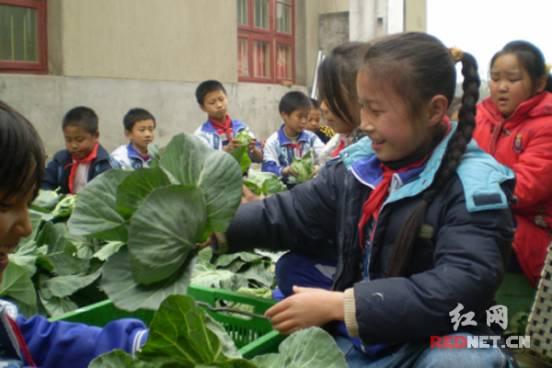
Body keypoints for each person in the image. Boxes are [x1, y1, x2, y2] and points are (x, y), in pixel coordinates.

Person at [210, 33, 516, 366]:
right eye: (361, 106)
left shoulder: (474, 186)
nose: (365, 124)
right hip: (374, 332)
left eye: (377, 110)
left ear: (434, 110)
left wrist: (340, 306)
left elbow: (461, 286)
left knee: (465, 359)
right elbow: (292, 213)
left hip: (434, 337)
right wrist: (215, 227)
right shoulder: (360, 163)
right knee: (293, 270)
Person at [0, 100, 148, 368]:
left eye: (28, 203)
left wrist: (130, 344)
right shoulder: (62, 161)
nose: (26, 227)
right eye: (5, 205)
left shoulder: (107, 164)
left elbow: (33, 340)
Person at [473, 40, 552, 286]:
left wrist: (467, 194)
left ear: (539, 83)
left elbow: (525, 188)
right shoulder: (479, 117)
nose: (501, 87)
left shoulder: (547, 126)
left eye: (513, 79)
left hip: (530, 234)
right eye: (495, 78)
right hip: (483, 217)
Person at [318, 42, 370, 163]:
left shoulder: (366, 156)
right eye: (323, 95)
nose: (323, 107)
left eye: (332, 96)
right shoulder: (339, 141)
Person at [41, 106, 113, 194]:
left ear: (96, 136)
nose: (73, 145)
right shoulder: (60, 160)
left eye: (79, 140)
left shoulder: (104, 165)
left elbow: (103, 196)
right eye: (68, 140)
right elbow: (45, 183)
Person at [262, 91, 325, 187]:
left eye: (306, 116)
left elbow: (326, 156)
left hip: (309, 189)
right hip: (283, 191)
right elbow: (267, 169)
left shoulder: (312, 139)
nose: (304, 121)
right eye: (299, 117)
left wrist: (317, 168)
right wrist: (285, 170)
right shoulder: (273, 142)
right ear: (284, 115)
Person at [193, 79, 262, 162]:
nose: (219, 105)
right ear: (202, 107)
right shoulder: (201, 135)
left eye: (221, 99)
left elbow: (261, 159)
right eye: (212, 102)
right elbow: (203, 165)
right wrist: (226, 151)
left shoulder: (241, 128)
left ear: (227, 98)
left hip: (244, 175)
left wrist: (253, 149)